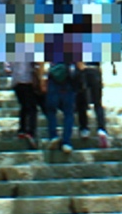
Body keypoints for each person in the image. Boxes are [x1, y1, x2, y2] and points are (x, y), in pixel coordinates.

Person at [43, 16, 83, 150]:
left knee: (51, 110)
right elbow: (80, 64)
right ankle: (67, 141)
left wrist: (42, 79)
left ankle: (53, 135)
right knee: (68, 112)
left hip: (53, 78)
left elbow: (42, 62)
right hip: (68, 80)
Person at [73, 11, 111, 148]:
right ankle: (101, 129)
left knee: (81, 102)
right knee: (97, 102)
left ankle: (84, 128)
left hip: (82, 71)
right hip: (95, 71)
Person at [5, 30, 43, 144]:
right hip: (28, 81)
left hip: (17, 81)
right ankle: (31, 131)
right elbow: (38, 63)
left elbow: (7, 68)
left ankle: (22, 129)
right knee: (32, 107)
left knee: (24, 106)